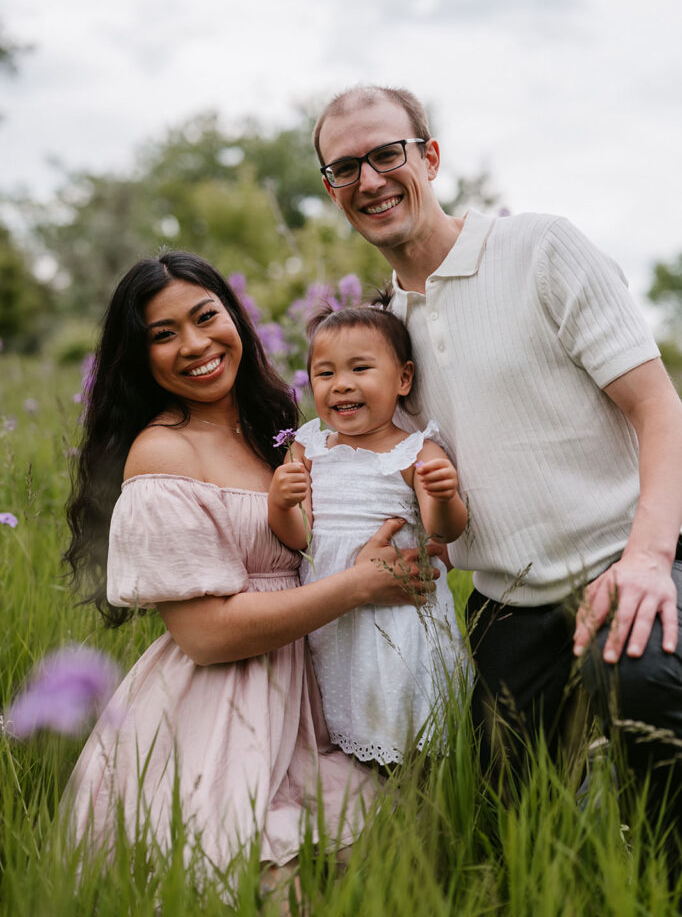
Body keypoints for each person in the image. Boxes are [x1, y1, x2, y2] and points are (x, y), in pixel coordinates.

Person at [312, 85, 682, 823]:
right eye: (345, 168)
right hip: (507, 604)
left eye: (388, 154)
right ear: (332, 190)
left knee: (641, 686)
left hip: (625, 558)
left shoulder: (540, 248)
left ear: (431, 156)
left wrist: (647, 560)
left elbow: (661, 411)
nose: (371, 180)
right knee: (497, 816)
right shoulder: (384, 335)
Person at [62, 249, 438, 882]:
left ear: (235, 318)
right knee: (258, 871)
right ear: (140, 356)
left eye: (206, 316)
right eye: (162, 334)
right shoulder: (161, 452)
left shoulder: (279, 429)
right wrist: (360, 584)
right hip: (220, 706)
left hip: (314, 687)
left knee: (387, 859)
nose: (194, 343)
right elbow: (207, 635)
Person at [268, 302, 469, 765]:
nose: (341, 384)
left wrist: (442, 497)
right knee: (342, 717)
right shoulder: (309, 446)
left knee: (405, 717)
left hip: (398, 617)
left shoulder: (416, 449)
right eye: (324, 374)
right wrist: (280, 502)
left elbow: (446, 532)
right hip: (332, 614)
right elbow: (299, 537)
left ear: (403, 379)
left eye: (360, 368)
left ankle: (424, 797)